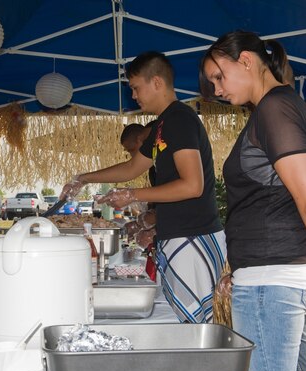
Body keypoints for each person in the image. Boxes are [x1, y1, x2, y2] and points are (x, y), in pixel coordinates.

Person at [199, 30, 306, 371]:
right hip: (285, 276)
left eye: (219, 77)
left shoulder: (275, 108)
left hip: (274, 280)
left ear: (246, 60)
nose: (217, 90)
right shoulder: (282, 108)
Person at [61, 51, 226, 324]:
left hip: (193, 237)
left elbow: (192, 185)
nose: (134, 96)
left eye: (136, 88)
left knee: (197, 329)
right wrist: (83, 178)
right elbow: (131, 167)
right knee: (183, 325)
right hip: (177, 237)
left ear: (157, 83)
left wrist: (131, 195)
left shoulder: (180, 119)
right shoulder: (162, 124)